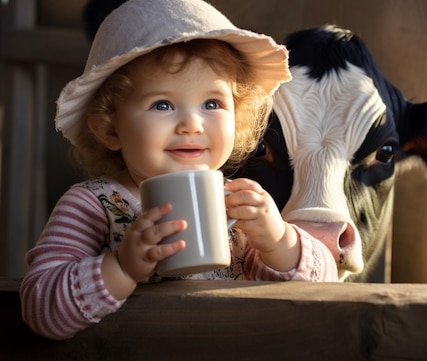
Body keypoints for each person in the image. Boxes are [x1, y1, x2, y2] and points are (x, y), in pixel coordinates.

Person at [20, 0, 338, 340]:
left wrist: (279, 241)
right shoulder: (93, 206)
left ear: (239, 118)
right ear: (110, 129)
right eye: (162, 104)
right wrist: (121, 267)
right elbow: (41, 310)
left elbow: (324, 294)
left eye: (212, 104)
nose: (191, 123)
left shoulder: (239, 206)